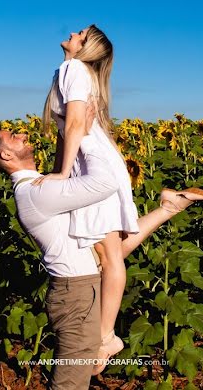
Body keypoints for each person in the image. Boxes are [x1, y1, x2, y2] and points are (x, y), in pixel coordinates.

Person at [0, 112, 203, 390]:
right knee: (69, 386)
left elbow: (109, 254)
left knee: (107, 249)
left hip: (82, 289)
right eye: (13, 137)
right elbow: (105, 181)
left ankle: (170, 205)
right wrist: (86, 135)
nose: (22, 135)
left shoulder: (41, 185)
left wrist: (68, 127)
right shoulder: (37, 193)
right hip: (76, 297)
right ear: (5, 155)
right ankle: (102, 343)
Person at [34, 25, 139, 369]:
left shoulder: (73, 69)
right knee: (102, 252)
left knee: (109, 256)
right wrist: (57, 170)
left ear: (85, 47)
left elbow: (76, 123)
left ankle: (106, 338)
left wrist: (62, 175)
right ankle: (102, 337)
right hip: (89, 164)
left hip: (93, 168)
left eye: (79, 33)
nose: (71, 33)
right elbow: (68, 133)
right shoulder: (69, 70)